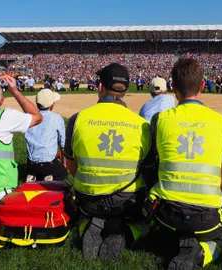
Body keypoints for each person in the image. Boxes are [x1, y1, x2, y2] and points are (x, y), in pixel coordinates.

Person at [146, 59, 222, 269]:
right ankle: (202, 253)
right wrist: (217, 207)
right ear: (203, 87)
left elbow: (151, 165)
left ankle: (167, 239)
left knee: (162, 224)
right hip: (207, 219)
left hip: (167, 216)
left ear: (173, 88)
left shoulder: (159, 119)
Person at [64, 63, 152, 260]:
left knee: (89, 212)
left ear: (100, 87)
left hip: (88, 200)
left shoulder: (78, 119)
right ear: (126, 91)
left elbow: (69, 165)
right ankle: (126, 233)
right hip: (126, 202)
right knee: (146, 223)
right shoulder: (141, 124)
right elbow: (147, 169)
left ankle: (87, 225)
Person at [25, 89, 67, 182]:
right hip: (49, 165)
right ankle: (49, 177)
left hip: (31, 165)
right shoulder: (56, 118)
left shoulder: (30, 117)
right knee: (64, 172)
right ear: (52, 105)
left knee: (34, 167)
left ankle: (33, 176)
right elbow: (63, 144)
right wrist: (64, 164)